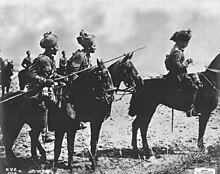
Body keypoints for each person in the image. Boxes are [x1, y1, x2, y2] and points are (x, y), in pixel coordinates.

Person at [27, 31, 59, 143]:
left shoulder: (52, 60)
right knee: (43, 104)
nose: (57, 49)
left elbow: (53, 74)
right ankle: (45, 133)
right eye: (56, 47)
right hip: (37, 89)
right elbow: (31, 74)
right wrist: (45, 81)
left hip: (49, 88)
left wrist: (63, 77)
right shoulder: (40, 59)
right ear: (50, 48)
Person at [165, 29, 202, 117]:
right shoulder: (177, 51)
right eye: (186, 42)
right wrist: (186, 63)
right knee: (194, 88)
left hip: (178, 73)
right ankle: (189, 109)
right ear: (181, 41)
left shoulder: (177, 49)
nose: (187, 44)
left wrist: (186, 61)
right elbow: (177, 66)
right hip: (178, 76)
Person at [66, 29, 97, 130]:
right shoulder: (80, 55)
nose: (95, 47)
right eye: (93, 45)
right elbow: (72, 72)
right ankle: (78, 118)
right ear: (88, 46)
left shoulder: (87, 56)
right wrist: (81, 84)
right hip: (75, 84)